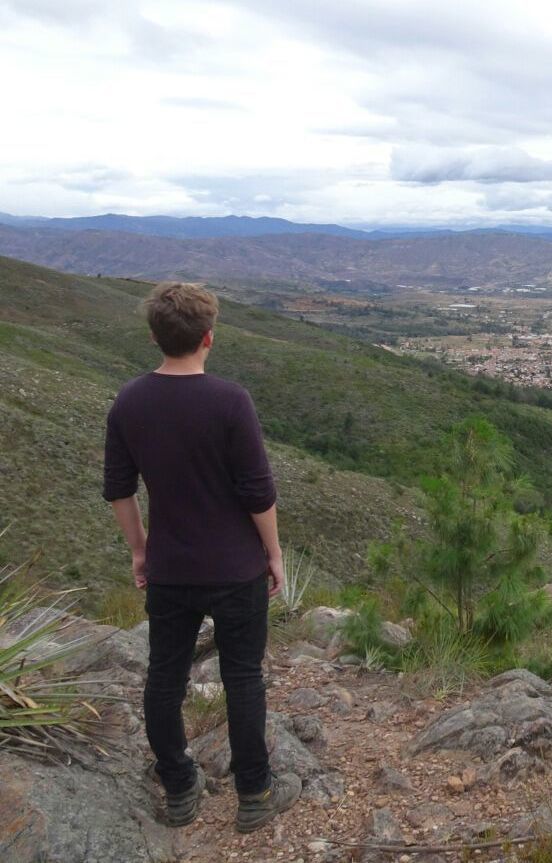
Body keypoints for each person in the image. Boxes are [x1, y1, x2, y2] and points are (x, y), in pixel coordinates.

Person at [103, 282, 300, 833]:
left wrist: (140, 551)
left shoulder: (130, 401)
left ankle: (179, 787)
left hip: (170, 568)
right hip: (236, 568)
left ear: (154, 338)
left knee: (164, 679)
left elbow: (119, 487)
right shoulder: (230, 400)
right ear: (209, 338)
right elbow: (258, 492)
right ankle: (254, 794)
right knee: (243, 679)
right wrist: (274, 553)